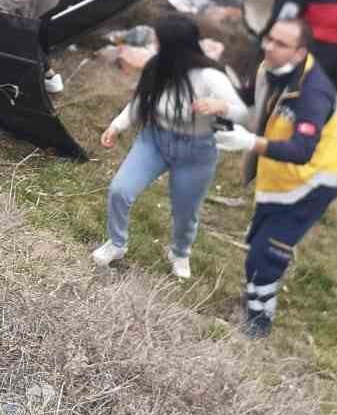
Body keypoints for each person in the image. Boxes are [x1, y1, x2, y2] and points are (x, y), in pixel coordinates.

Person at [195, 16, 337, 337]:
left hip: (310, 183)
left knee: (268, 251)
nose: (269, 47)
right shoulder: (268, 69)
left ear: (300, 52)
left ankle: (260, 322)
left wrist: (249, 142)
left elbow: (302, 149)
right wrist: (222, 106)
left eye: (281, 44)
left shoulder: (313, 93)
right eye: (269, 39)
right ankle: (254, 302)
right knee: (255, 250)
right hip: (277, 178)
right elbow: (251, 100)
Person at [94, 16, 246, 280]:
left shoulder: (209, 74)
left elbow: (243, 112)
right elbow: (141, 101)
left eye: (159, 41)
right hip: (155, 140)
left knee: (185, 212)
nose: (154, 45)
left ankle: (179, 252)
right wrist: (116, 126)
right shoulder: (157, 65)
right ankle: (116, 244)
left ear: (175, 45)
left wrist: (220, 106)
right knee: (120, 189)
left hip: (195, 151)